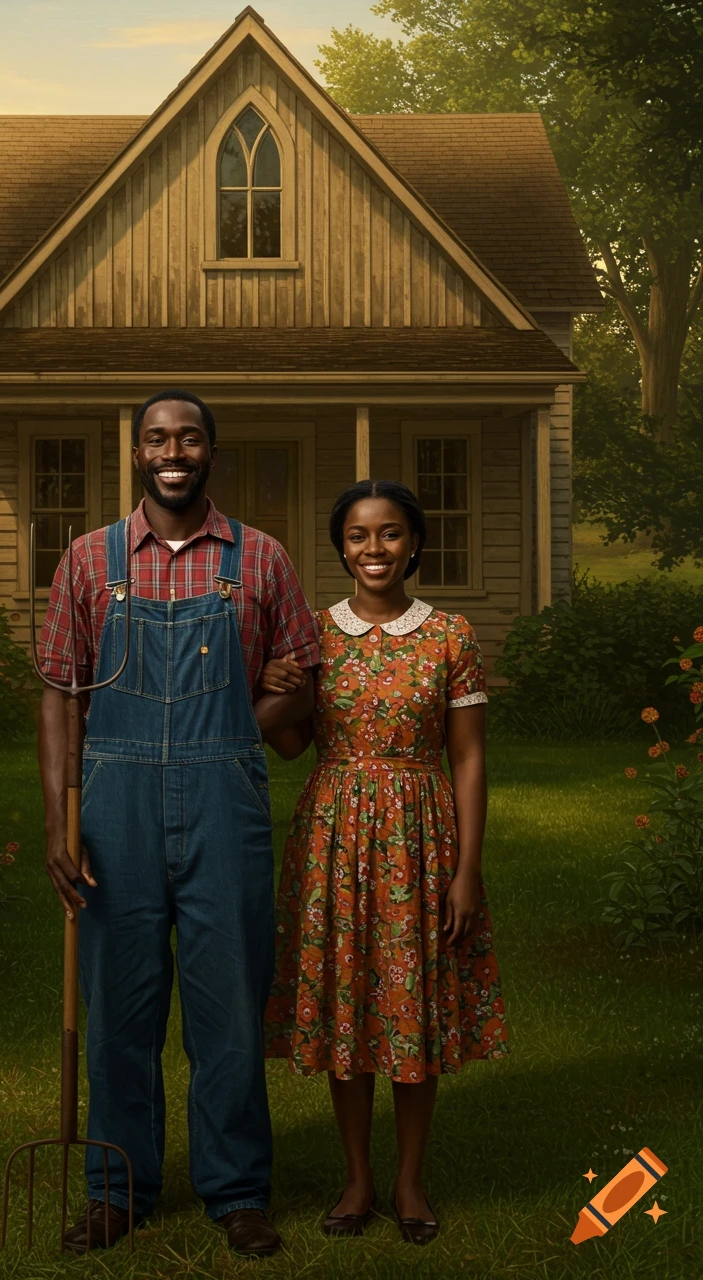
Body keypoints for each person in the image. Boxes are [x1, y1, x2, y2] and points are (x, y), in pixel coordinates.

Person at [37, 390, 320, 1256]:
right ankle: (116, 1189)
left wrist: (242, 724)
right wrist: (57, 822)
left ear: (210, 454)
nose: (173, 452)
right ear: (136, 453)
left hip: (223, 806)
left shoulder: (260, 558)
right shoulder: (88, 560)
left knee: (228, 1004)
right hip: (112, 806)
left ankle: (236, 1191)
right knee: (119, 1006)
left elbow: (303, 683)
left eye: (189, 438)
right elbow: (58, 695)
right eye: (157, 438)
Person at [262, 479, 508, 1244]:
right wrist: (267, 688)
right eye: (359, 535)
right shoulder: (314, 635)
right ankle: (356, 1177)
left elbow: (468, 758)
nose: (375, 548)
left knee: (410, 1005)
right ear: (342, 549)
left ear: (414, 543)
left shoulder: (449, 636)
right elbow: (293, 743)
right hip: (333, 838)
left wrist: (467, 868)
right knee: (347, 1001)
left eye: (391, 533)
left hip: (420, 836)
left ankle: (408, 1179)